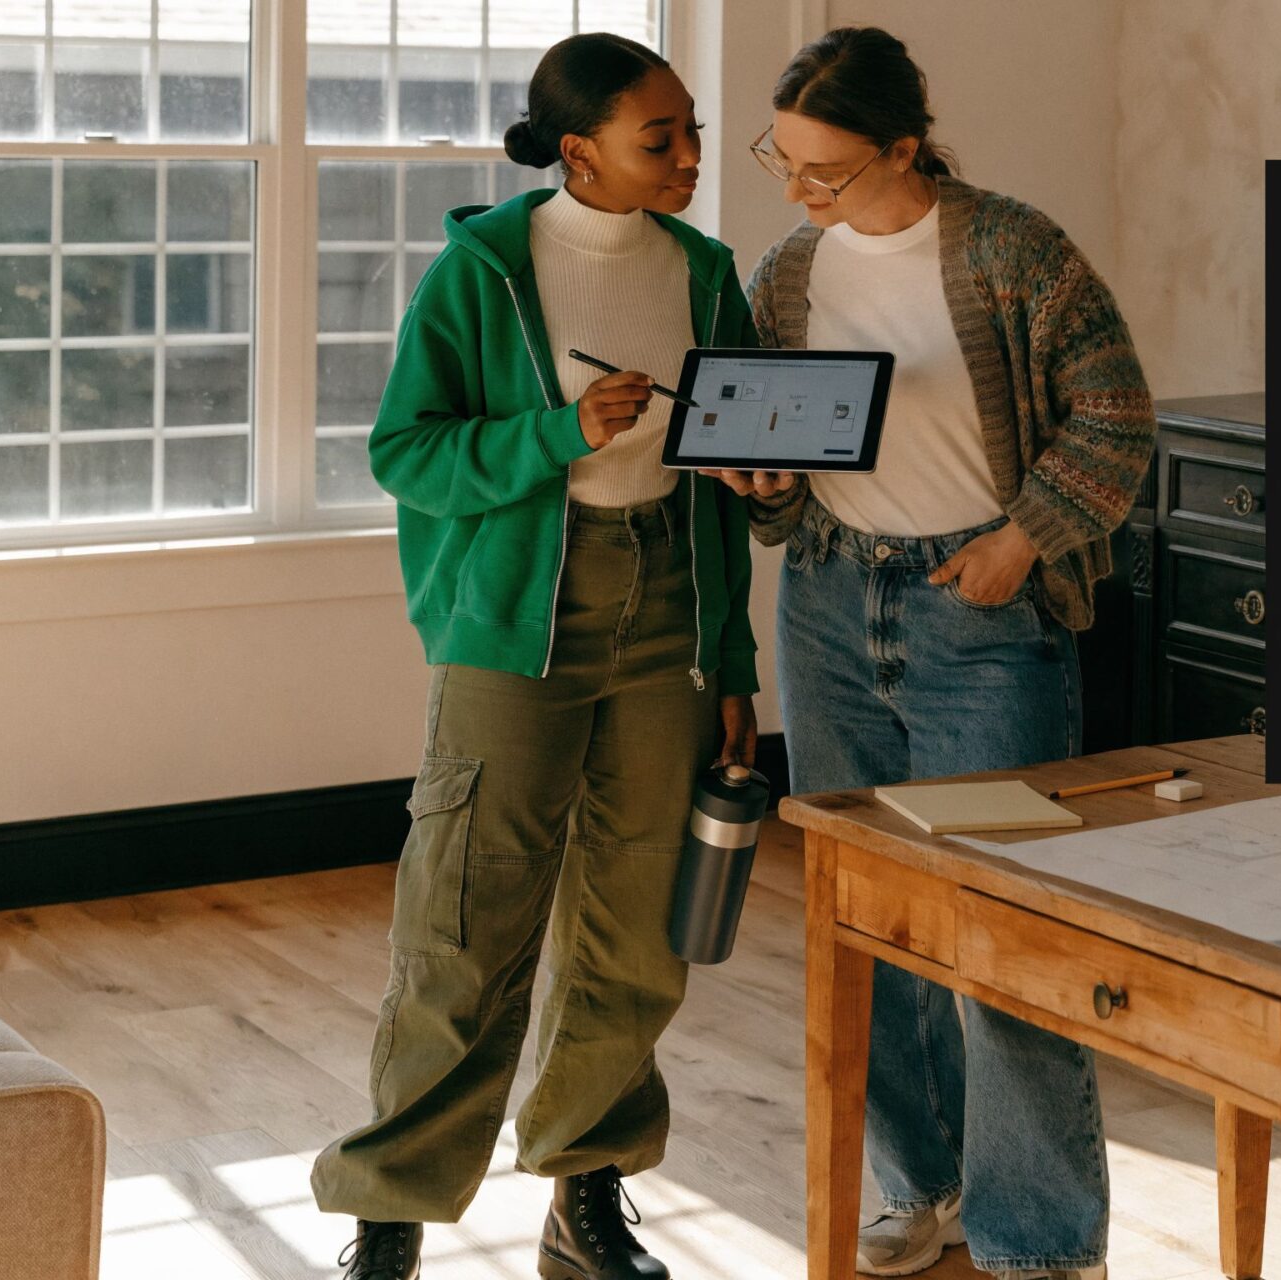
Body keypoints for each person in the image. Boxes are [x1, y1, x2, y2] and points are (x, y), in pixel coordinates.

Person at [309, 32, 762, 1280]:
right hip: (514, 619)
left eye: (692, 131)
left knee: (641, 927)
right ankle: (390, 1210)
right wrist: (558, 432)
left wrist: (733, 657)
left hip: (670, 613)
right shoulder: (482, 272)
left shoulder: (705, 272)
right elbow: (406, 452)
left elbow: (731, 483)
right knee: (464, 917)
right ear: (579, 150)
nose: (689, 155)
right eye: (659, 137)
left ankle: (587, 1188)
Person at [707, 26, 1155, 1280]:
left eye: (827, 168)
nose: (799, 190)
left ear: (905, 147)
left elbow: (1116, 416)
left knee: (1008, 924)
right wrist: (763, 479)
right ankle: (923, 1183)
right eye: (783, 161)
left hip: (982, 611)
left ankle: (1043, 1241)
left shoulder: (1014, 251)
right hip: (829, 604)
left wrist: (1024, 539)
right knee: (874, 920)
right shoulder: (790, 271)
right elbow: (783, 449)